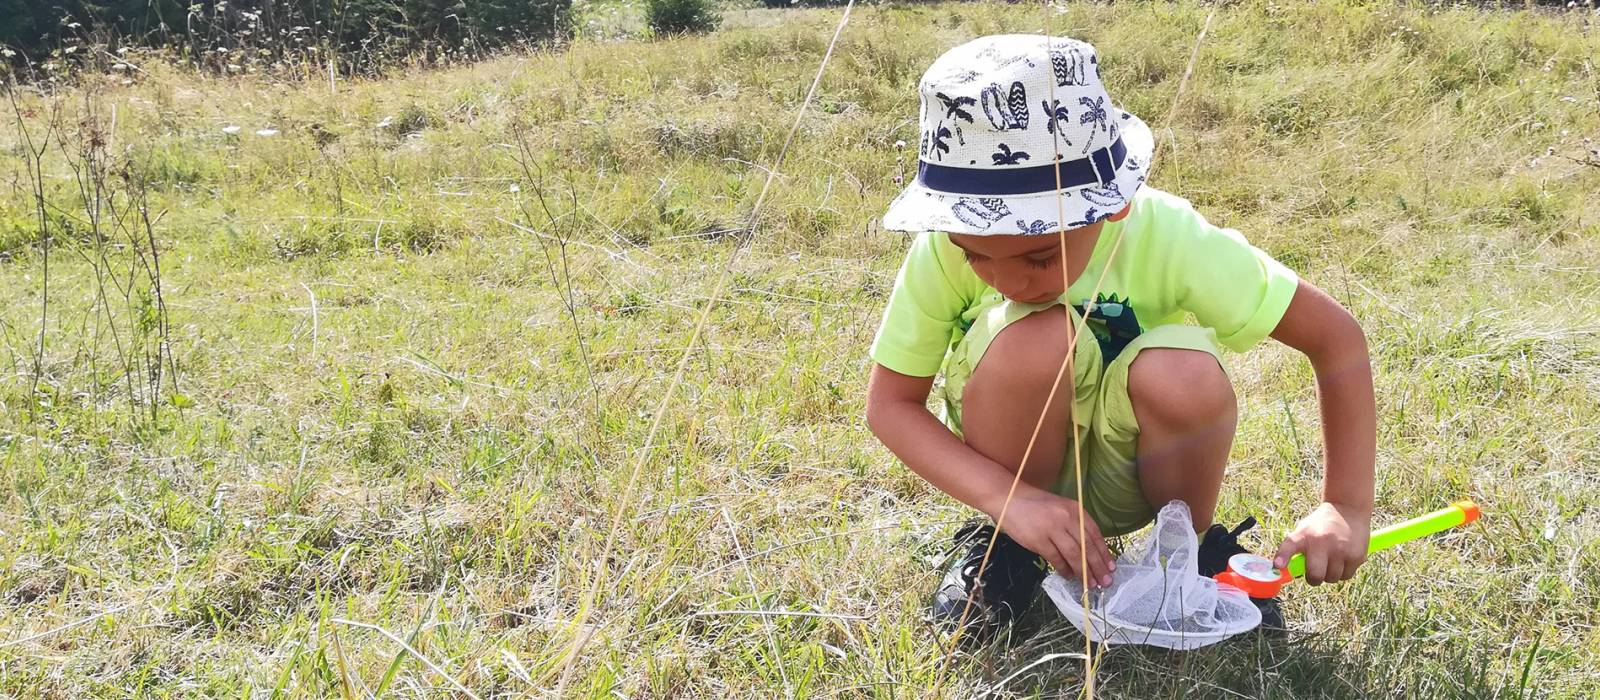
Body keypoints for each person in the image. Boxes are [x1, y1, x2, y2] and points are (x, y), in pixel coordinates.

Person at [865, 34, 1376, 643]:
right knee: (1039, 339)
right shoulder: (944, 239)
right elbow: (890, 406)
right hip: (1012, 472)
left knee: (1181, 371)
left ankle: (1184, 555)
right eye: (974, 254)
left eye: (1034, 254)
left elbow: (1336, 338)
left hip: (1140, 474)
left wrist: (1345, 507)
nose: (1004, 280)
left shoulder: (1170, 235)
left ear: (1113, 206)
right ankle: (1005, 550)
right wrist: (1012, 502)